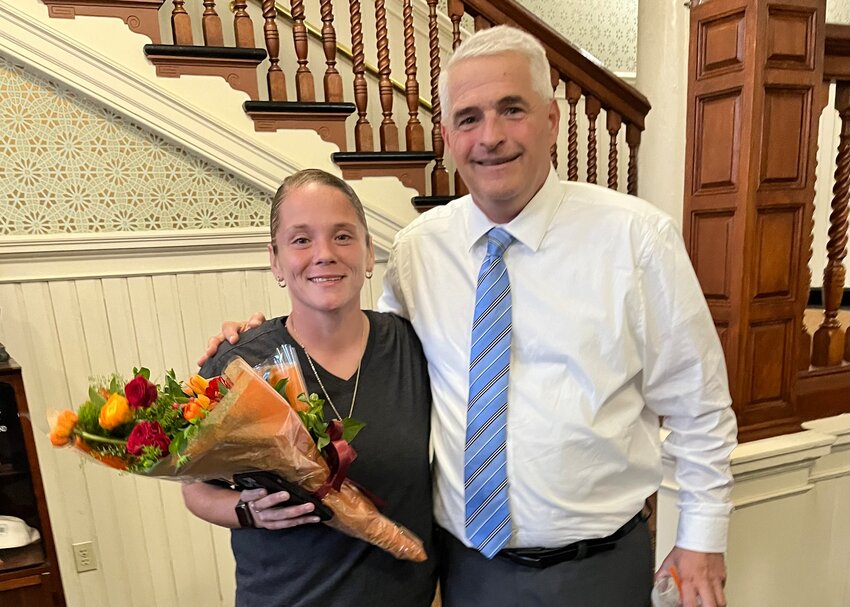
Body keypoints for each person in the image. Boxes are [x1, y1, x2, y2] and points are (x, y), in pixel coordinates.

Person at [202, 26, 737, 607]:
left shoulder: (637, 241)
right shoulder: (419, 250)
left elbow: (698, 404)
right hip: (465, 571)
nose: (491, 137)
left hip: (595, 568)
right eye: (469, 118)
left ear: (552, 120)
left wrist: (702, 538)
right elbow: (369, 354)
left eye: (512, 110)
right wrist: (256, 339)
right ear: (448, 136)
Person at [183, 169, 437, 607]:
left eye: (342, 236)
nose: (324, 254)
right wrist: (247, 511)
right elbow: (195, 489)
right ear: (276, 260)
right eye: (301, 240)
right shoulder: (240, 364)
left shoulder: (416, 347)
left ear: (369, 252)